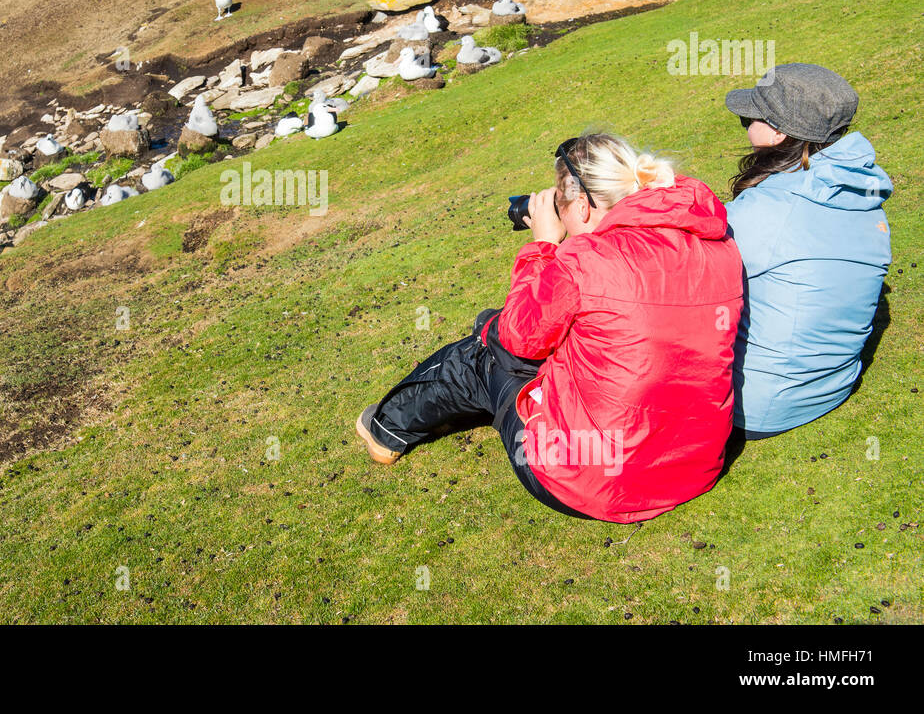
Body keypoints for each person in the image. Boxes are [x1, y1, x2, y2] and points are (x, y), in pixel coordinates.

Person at [355, 133, 744, 523]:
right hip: (694, 466)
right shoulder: (715, 243)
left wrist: (542, 244)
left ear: (583, 205)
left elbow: (518, 337)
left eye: (561, 205)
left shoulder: (586, 259)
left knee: (485, 351)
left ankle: (386, 429)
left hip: (591, 481)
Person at [723, 63, 892, 438]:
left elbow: (683, 280)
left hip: (759, 407)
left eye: (749, 117)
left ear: (778, 132)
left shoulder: (766, 210)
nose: (744, 123)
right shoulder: (862, 196)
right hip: (833, 386)